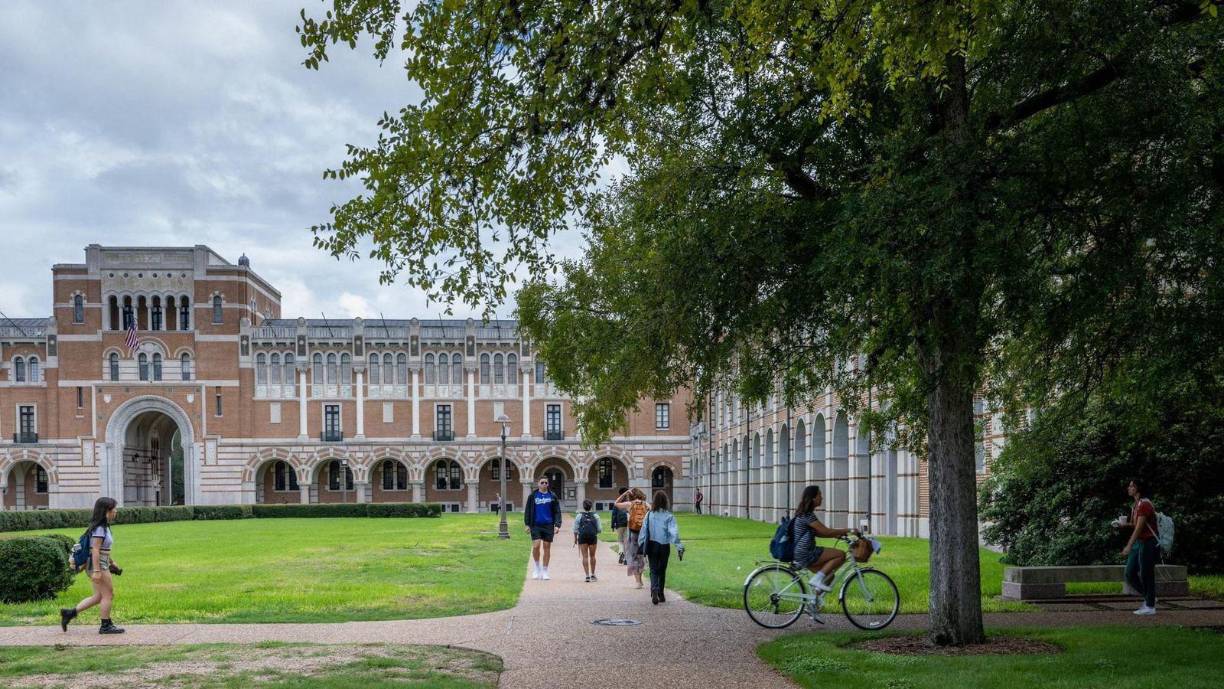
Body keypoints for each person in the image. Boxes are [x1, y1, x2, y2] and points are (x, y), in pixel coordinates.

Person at [60, 497, 124, 634]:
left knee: (98, 597)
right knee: (108, 595)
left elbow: (101, 549)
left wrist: (112, 562)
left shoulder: (102, 527)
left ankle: (69, 613)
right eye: (114, 509)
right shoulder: (100, 529)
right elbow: (95, 549)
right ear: (106, 511)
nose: (116, 512)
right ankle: (105, 625)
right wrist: (97, 571)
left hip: (101, 563)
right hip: (98, 565)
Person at [791, 485, 856, 595]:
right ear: (813, 498)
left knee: (829, 576)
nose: (822, 497)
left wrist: (838, 535)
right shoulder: (808, 515)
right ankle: (816, 580)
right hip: (806, 552)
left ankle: (813, 604)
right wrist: (849, 530)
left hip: (801, 553)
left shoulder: (805, 514)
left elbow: (819, 533)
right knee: (840, 555)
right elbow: (826, 531)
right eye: (820, 495)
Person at [1119, 479, 1160, 615]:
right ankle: (1150, 597)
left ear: (1138, 488)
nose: (1129, 488)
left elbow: (1139, 528)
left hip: (1148, 542)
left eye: (1131, 486)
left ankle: (1150, 607)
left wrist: (1128, 546)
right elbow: (1134, 524)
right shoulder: (1135, 505)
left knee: (1147, 573)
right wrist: (1124, 525)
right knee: (1129, 573)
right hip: (1139, 542)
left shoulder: (1145, 505)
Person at [638, 491, 682, 604]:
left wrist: (641, 544)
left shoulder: (649, 515)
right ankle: (661, 593)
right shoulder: (669, 516)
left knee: (653, 570)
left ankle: (654, 590)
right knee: (662, 570)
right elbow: (674, 533)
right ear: (665, 502)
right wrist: (679, 546)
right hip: (664, 546)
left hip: (652, 544)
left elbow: (643, 531)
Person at [524, 477, 562, 580]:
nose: (544, 484)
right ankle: (537, 568)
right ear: (538, 484)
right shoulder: (533, 496)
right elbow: (527, 510)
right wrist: (527, 524)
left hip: (548, 525)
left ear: (548, 484)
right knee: (536, 546)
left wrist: (557, 525)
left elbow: (557, 511)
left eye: (546, 482)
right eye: (542, 482)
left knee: (546, 546)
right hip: (536, 525)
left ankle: (545, 571)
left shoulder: (552, 496)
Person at [614, 488, 649, 589]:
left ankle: (638, 581)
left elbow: (616, 503)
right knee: (641, 557)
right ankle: (641, 579)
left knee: (632, 557)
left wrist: (624, 493)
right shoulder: (646, 504)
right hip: (643, 534)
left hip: (632, 533)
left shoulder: (630, 504)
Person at [574, 499, 603, 582]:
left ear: (583, 507)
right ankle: (593, 575)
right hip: (592, 536)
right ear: (591, 507)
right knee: (593, 556)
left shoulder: (579, 516)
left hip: (582, 537)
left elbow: (575, 529)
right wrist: (594, 532)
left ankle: (587, 576)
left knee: (585, 556)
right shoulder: (596, 516)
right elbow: (600, 529)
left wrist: (575, 539)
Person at [610, 489, 628, 564]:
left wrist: (612, 525)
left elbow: (614, 515)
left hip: (619, 524)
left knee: (620, 540)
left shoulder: (617, 503)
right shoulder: (628, 503)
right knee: (626, 541)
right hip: (627, 524)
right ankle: (626, 559)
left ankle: (621, 552)